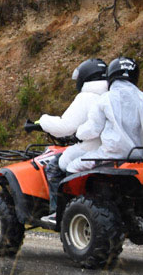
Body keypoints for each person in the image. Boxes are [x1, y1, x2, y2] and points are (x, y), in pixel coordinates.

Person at [34, 58, 108, 213]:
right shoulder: (112, 95)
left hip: (91, 149)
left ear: (86, 78)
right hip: (115, 150)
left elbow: (65, 127)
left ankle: (57, 212)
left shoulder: (87, 96)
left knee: (54, 167)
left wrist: (43, 120)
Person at [74, 56, 143, 170]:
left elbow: (93, 128)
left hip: (111, 157)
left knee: (72, 166)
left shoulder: (105, 99)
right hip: (139, 158)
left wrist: (78, 135)